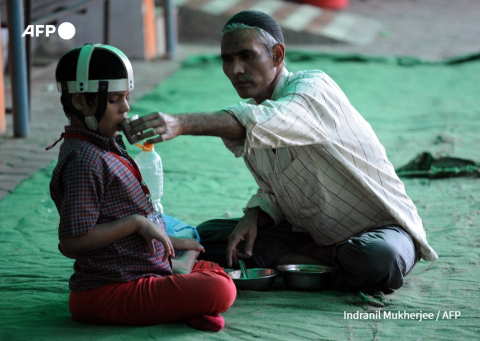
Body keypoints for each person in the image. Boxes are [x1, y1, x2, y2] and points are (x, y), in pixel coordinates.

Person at [130, 11, 438, 293]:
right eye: (227, 59)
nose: (235, 69)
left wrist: (181, 123)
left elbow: (265, 123)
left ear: (277, 55)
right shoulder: (252, 117)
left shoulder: (313, 88)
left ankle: (310, 258)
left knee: (379, 259)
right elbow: (276, 189)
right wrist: (254, 215)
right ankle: (310, 259)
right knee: (207, 237)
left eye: (247, 56)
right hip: (310, 234)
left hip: (379, 234)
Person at [48, 44, 236, 331]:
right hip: (105, 292)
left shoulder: (102, 142)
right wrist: (137, 223)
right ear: (80, 102)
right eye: (113, 100)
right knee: (220, 288)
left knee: (208, 261)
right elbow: (74, 241)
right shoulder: (83, 160)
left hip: (138, 269)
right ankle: (182, 290)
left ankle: (179, 291)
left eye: (126, 98)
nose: (126, 108)